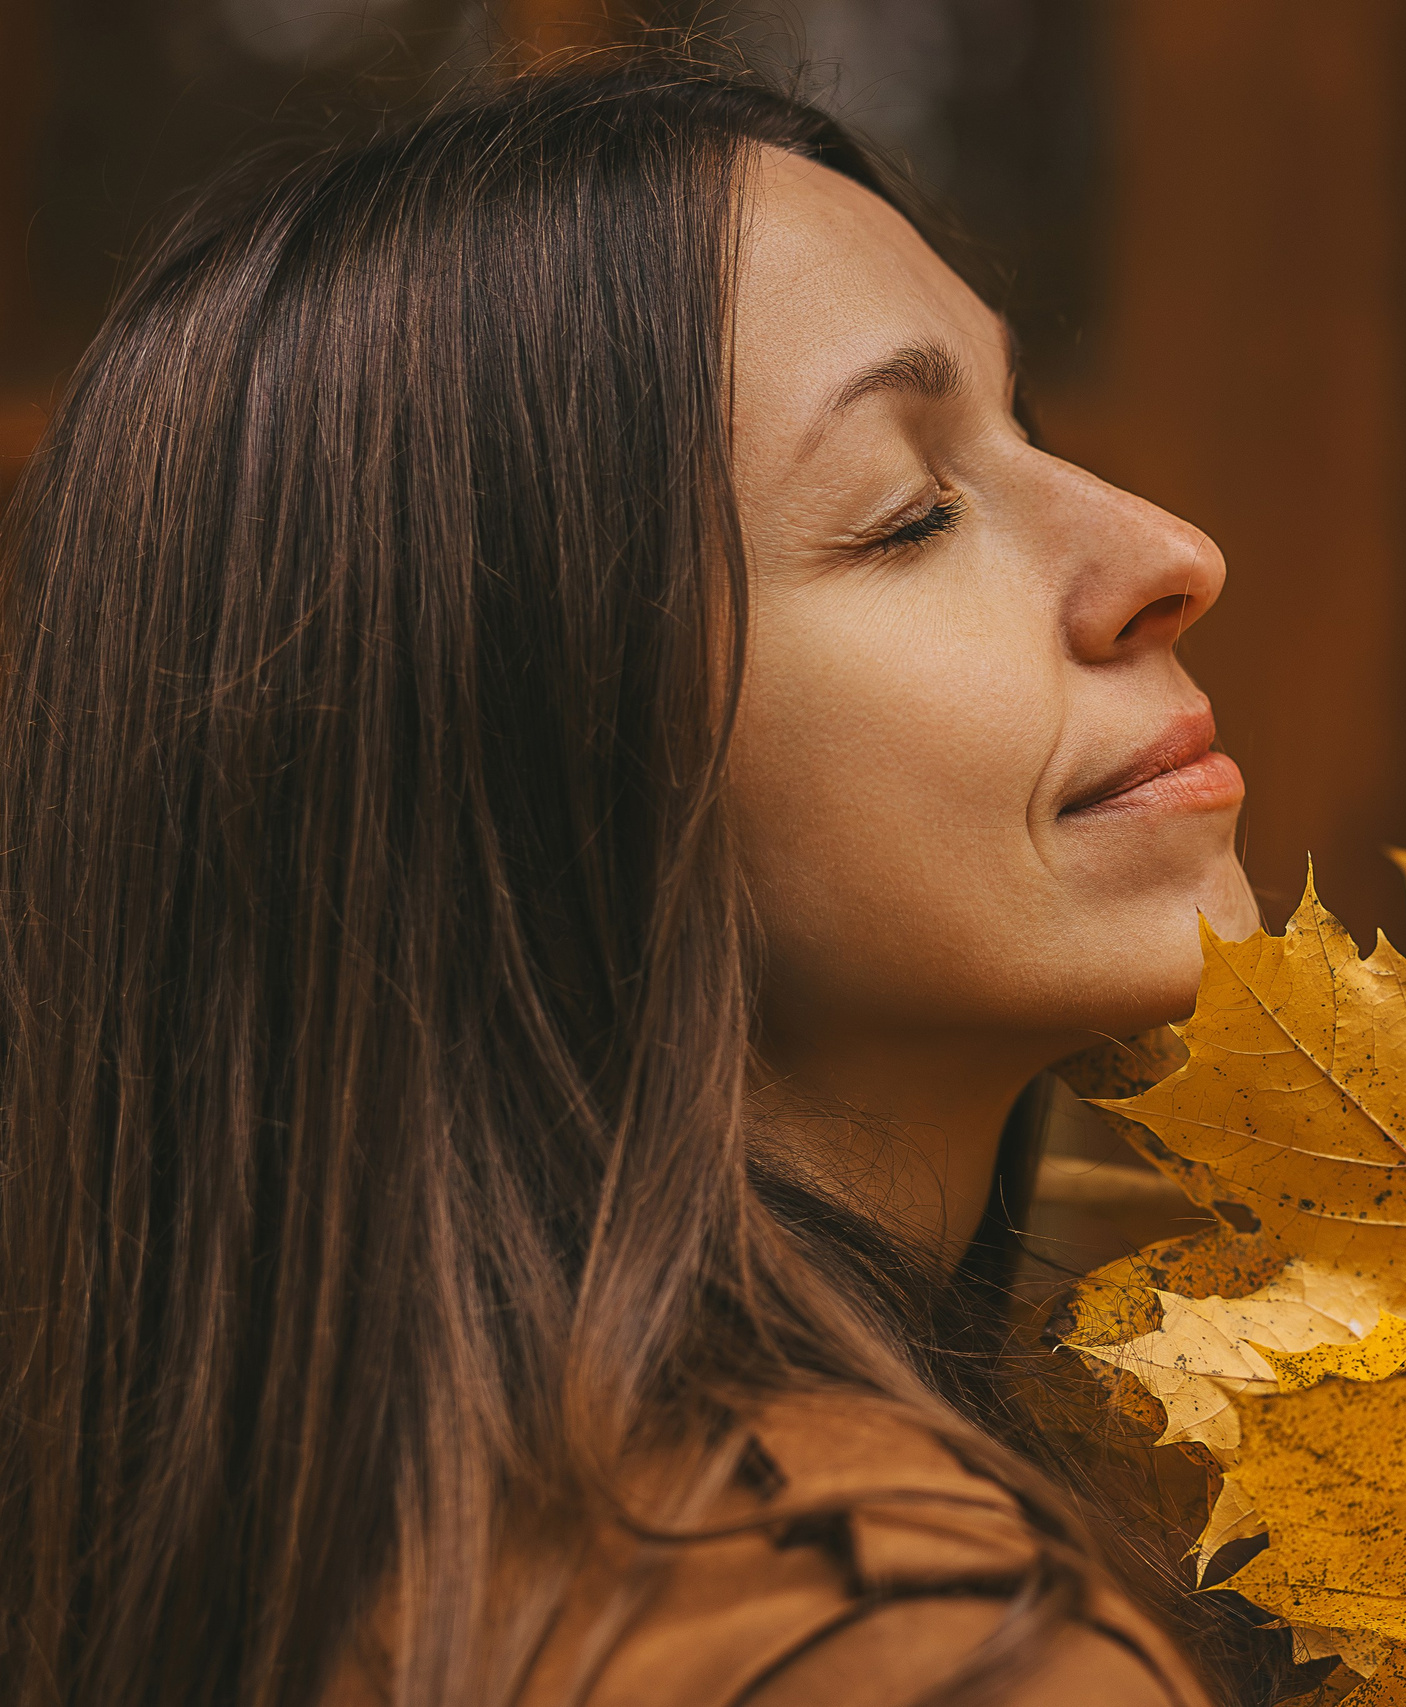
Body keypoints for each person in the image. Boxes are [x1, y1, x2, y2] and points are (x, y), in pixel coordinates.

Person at [0, 53, 1277, 1707]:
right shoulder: (913, 1650)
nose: (1171, 553)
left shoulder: (386, 1554)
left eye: (1030, 429)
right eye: (907, 513)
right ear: (519, 762)